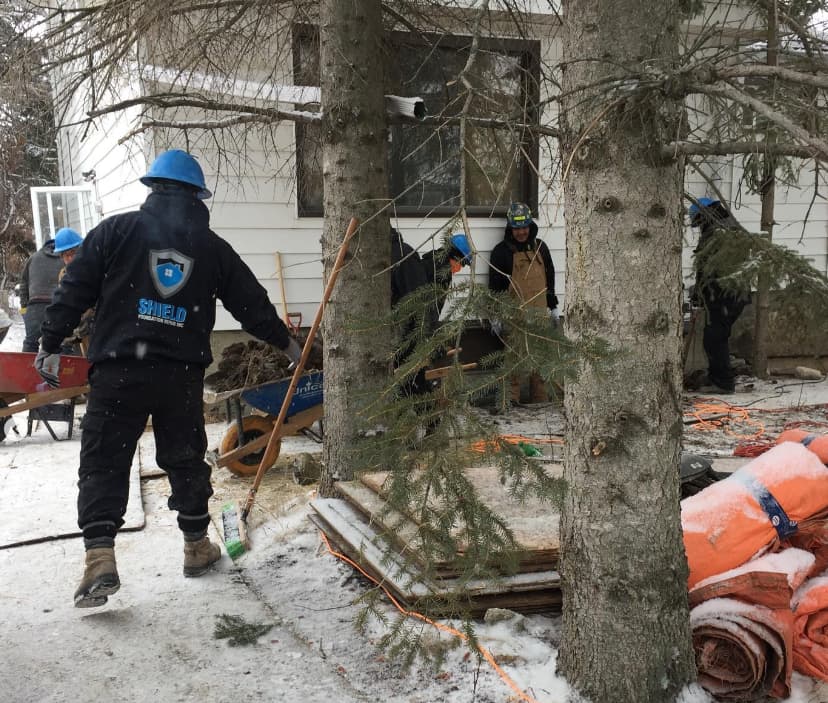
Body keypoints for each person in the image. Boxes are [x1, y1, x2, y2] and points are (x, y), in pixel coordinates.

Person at [35, 149, 302, 608]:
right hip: (179, 374)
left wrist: (49, 340)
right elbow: (250, 304)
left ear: (154, 188)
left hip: (119, 370)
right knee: (184, 457)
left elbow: (73, 287)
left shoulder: (115, 232)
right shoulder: (211, 248)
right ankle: (196, 547)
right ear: (197, 195)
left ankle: (100, 557)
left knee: (104, 458)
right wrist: (288, 345)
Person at [488, 202, 558, 405]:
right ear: (511, 228)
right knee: (513, 363)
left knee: (541, 362)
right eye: (517, 228)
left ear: (530, 226)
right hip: (514, 318)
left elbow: (550, 278)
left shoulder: (541, 248)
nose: (521, 232)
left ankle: (540, 401)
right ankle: (509, 401)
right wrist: (495, 316)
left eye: (525, 227)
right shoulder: (501, 252)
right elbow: (495, 287)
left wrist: (553, 307)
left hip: (539, 314)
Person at [689, 197, 750, 395]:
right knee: (716, 336)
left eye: (698, 221)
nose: (698, 227)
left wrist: (702, 292)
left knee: (715, 337)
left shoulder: (721, 232)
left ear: (704, 215)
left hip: (725, 295)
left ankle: (723, 382)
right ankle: (717, 376)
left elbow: (710, 269)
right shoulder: (722, 227)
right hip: (724, 294)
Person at [19, 236, 64, 352]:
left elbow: (23, 283)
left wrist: (24, 307)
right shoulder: (66, 258)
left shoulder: (34, 257)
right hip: (58, 305)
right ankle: (66, 367)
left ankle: (26, 368)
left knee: (31, 342)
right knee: (64, 342)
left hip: (35, 305)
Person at [53, 227, 93, 354]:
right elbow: (64, 303)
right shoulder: (64, 275)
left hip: (98, 329)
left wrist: (88, 320)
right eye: (66, 255)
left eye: (73, 253)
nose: (70, 259)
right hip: (79, 330)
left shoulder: (93, 269)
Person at [420, 232, 473, 317]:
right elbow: (434, 307)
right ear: (455, 257)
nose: (459, 269)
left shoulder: (432, 260)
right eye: (462, 264)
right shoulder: (442, 274)